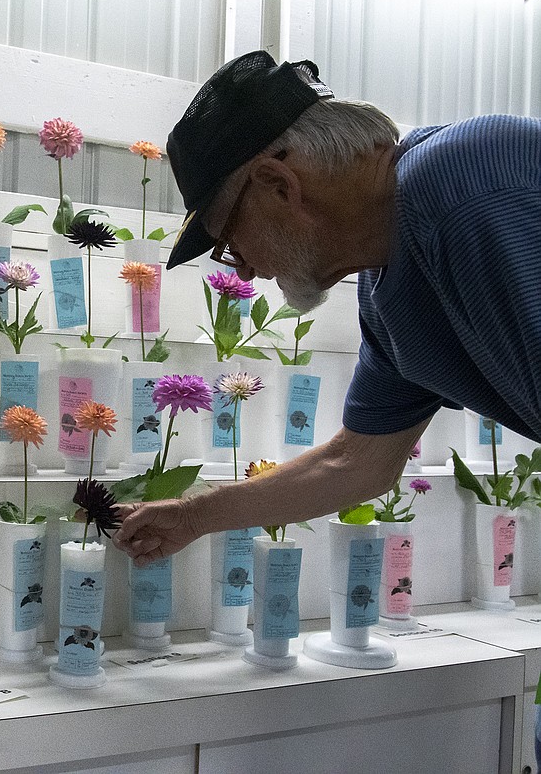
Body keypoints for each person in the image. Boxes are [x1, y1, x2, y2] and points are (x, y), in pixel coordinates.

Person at [112, 51, 541, 573]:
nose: (242, 272)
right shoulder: (387, 290)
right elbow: (355, 463)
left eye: (229, 240)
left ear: (279, 186)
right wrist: (194, 515)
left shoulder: (466, 186)